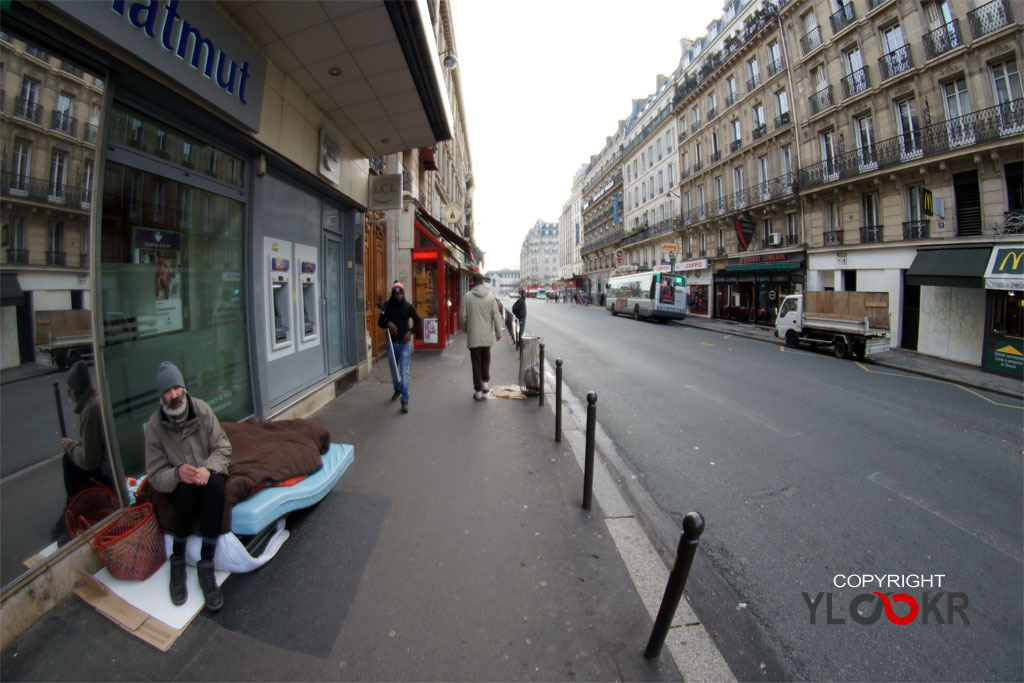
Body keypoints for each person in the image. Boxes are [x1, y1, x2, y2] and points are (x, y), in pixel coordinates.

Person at [144, 361, 231, 612]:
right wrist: (177, 473)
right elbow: (155, 474)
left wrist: (208, 468)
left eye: (176, 388)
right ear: (161, 396)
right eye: (167, 392)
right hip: (181, 486)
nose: (173, 395)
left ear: (183, 387)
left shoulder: (202, 410)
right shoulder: (154, 427)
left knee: (215, 486)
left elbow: (223, 447)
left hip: (206, 476)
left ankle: (206, 565)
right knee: (185, 490)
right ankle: (178, 560)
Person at [52, 361, 114, 540]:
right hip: (107, 465)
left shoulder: (90, 410)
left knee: (69, 460)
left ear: (76, 391)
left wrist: (70, 446)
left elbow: (90, 461)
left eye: (69, 389)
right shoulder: (94, 401)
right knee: (72, 454)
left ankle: (73, 507)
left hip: (106, 474)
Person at [378, 281, 421, 414]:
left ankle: (405, 400)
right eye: (396, 293)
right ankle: (398, 388)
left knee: (404, 372)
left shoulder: (408, 307)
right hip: (392, 344)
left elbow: (418, 321)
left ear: (403, 293)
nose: (399, 296)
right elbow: (380, 322)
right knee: (394, 370)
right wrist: (389, 323)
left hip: (404, 345)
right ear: (393, 293)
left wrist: (410, 332)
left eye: (401, 293)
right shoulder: (387, 306)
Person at [460, 272, 502, 400]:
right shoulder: (490, 297)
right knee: (486, 359)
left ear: (473, 282)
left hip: (474, 336)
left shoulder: (467, 296)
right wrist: (498, 332)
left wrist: (467, 329)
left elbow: (462, 317)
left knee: (476, 363)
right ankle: (485, 383)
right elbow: (496, 316)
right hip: (486, 336)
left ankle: (478, 391)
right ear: (483, 282)